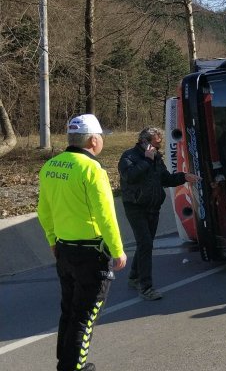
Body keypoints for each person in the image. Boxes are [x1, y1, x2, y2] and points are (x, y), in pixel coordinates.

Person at [38, 114, 127, 371]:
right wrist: (118, 250)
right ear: (93, 139)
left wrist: (53, 239)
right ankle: (74, 367)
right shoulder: (91, 169)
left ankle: (64, 363)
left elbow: (44, 210)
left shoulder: (51, 166)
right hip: (91, 254)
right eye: (100, 137)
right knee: (85, 317)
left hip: (64, 250)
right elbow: (105, 215)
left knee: (69, 310)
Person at [119, 127, 199, 300]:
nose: (158, 147)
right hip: (135, 206)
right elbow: (129, 177)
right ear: (144, 142)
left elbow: (166, 179)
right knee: (146, 243)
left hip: (153, 206)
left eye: (159, 144)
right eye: (156, 144)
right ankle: (146, 287)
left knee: (145, 244)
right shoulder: (129, 156)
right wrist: (147, 161)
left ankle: (134, 276)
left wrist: (184, 176)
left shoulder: (157, 159)